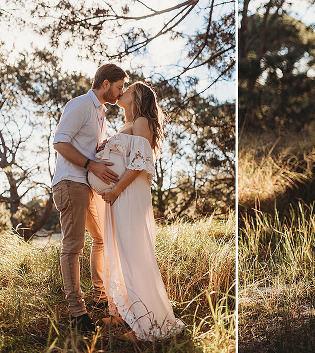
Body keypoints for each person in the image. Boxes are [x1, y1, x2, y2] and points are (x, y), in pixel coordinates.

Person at [92, 82, 185, 341]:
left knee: (134, 253)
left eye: (127, 89)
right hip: (119, 194)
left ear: (139, 96)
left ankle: (149, 325)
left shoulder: (142, 120)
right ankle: (124, 313)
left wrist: (116, 189)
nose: (121, 92)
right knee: (122, 252)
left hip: (128, 193)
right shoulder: (127, 124)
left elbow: (140, 161)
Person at [52, 63, 126, 332]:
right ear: (105, 84)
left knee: (102, 238)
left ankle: (99, 296)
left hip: (87, 185)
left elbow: (87, 147)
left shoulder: (101, 113)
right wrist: (90, 164)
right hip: (70, 182)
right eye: (119, 87)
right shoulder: (81, 104)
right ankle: (77, 314)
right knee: (73, 247)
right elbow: (60, 143)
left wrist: (101, 151)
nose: (121, 93)